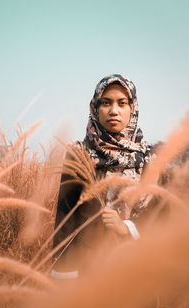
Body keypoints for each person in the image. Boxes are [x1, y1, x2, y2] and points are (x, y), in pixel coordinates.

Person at [51, 74, 152, 280]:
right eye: (106, 103)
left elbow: (158, 214)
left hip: (135, 268)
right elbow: (66, 217)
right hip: (89, 269)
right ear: (95, 108)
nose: (113, 110)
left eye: (122, 103)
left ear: (132, 109)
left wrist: (126, 227)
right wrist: (65, 276)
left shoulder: (148, 157)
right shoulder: (79, 154)